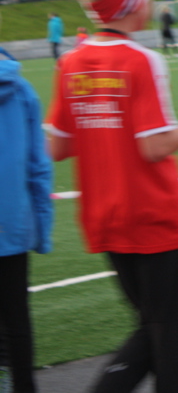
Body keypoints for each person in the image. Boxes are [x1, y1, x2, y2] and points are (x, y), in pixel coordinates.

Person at [44, 0, 178, 393]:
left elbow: (57, 146)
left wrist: (100, 127)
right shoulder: (142, 61)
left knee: (153, 327)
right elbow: (153, 147)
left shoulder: (71, 62)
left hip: (105, 218)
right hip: (154, 216)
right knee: (169, 338)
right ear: (135, 1)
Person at [0, 36, 53, 393]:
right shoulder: (21, 89)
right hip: (12, 224)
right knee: (16, 319)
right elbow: (39, 166)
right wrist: (41, 229)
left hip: (13, 225)